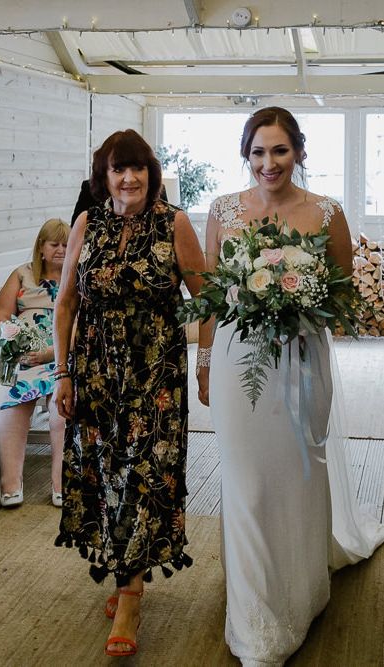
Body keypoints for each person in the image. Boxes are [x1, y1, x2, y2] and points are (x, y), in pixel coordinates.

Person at [198, 106, 384, 666]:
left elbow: (344, 296)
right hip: (237, 366)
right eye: (258, 151)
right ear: (246, 155)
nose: (268, 162)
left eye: (279, 150)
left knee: (300, 475)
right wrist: (205, 359)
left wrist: (297, 302)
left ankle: (303, 589)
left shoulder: (327, 213)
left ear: (299, 152)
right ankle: (255, 617)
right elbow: (209, 293)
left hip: (301, 362)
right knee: (247, 482)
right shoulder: (223, 210)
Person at [53, 129, 206, 657]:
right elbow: (67, 303)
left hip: (155, 375)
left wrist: (204, 365)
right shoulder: (86, 224)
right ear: (104, 176)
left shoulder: (175, 223)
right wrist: (62, 372)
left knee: (145, 474)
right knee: (104, 471)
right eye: (119, 168)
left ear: (151, 174)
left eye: (138, 168)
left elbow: (203, 300)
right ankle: (124, 569)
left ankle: (131, 595)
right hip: (96, 372)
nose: (129, 178)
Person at [0, 218, 70, 508]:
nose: (61, 249)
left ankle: (62, 485)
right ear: (41, 246)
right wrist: (15, 340)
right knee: (9, 404)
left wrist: (53, 352)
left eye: (66, 244)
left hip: (62, 357)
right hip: (24, 357)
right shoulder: (22, 275)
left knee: (61, 412)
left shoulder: (77, 275)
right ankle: (11, 484)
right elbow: (0, 314)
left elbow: (86, 324)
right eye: (55, 244)